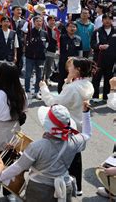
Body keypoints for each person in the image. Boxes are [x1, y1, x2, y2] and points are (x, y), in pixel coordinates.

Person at [0, 103, 92, 202]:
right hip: (64, 187)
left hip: (39, 191)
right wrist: (86, 112)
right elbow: (87, 134)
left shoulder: (37, 146)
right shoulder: (74, 141)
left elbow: (18, 167)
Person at [39, 57, 95, 195]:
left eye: (71, 66)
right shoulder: (88, 85)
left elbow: (55, 103)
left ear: (78, 69)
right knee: (76, 156)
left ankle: (65, 188)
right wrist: (68, 81)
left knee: (63, 157)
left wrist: (44, 89)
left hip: (68, 126)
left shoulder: (73, 88)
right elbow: (69, 97)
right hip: (80, 125)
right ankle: (78, 188)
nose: (68, 69)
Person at [0, 62, 27, 200]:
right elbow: (24, 112)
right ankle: (9, 193)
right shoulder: (21, 93)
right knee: (11, 163)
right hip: (14, 131)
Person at [91, 13, 115, 101]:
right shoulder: (97, 31)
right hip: (98, 59)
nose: (107, 21)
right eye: (105, 19)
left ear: (112, 20)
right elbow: (92, 43)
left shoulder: (115, 31)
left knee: (109, 78)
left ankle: (106, 96)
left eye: (109, 19)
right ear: (102, 21)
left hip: (111, 59)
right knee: (96, 78)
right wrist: (98, 46)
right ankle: (95, 96)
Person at [24, 15, 48, 98]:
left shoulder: (45, 33)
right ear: (34, 23)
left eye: (40, 21)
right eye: (37, 21)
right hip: (29, 57)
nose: (38, 23)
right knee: (28, 75)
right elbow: (25, 41)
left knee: (39, 75)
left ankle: (37, 91)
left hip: (41, 58)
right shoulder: (29, 32)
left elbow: (47, 44)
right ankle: (27, 91)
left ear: (42, 22)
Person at [57, 21, 83, 92]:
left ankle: (72, 94)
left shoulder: (78, 38)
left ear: (76, 29)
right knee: (62, 78)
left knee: (74, 79)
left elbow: (80, 50)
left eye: (74, 27)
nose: (72, 28)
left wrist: (80, 61)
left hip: (74, 63)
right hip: (64, 62)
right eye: (70, 26)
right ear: (66, 28)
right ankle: (60, 94)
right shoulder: (62, 37)